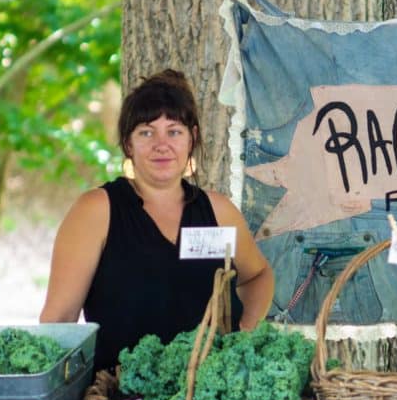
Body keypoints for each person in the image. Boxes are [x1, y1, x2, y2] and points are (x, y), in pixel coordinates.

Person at [40, 68, 274, 370]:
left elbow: (258, 276)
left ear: (192, 138)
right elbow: (58, 321)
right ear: (128, 144)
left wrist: (245, 333)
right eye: (146, 132)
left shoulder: (218, 211)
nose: (161, 144)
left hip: (207, 399)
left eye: (174, 131)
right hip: (120, 398)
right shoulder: (96, 210)